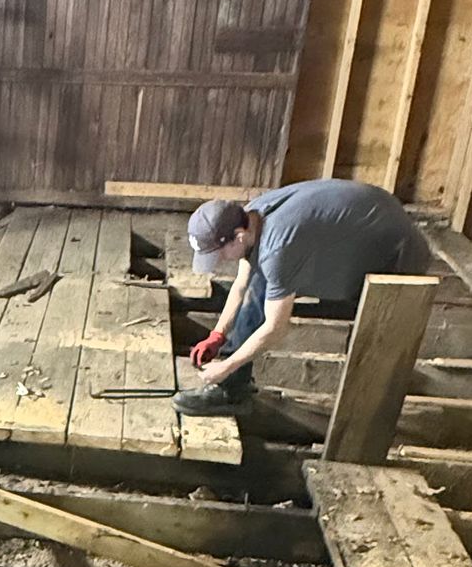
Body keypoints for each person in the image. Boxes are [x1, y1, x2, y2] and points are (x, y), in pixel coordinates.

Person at [177, 178, 429, 415]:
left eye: (219, 253)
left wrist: (226, 366)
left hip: (396, 254)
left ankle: (369, 412)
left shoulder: (277, 249)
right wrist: (217, 335)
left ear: (238, 237)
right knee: (261, 281)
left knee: (374, 340)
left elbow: (275, 328)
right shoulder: (251, 216)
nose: (220, 260)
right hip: (370, 221)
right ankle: (234, 387)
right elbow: (242, 285)